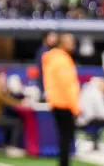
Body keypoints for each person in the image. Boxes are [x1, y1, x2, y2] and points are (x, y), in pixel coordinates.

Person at [43, 33, 81, 166]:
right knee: (66, 138)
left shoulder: (54, 58)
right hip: (63, 104)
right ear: (62, 43)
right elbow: (67, 86)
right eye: (70, 41)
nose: (73, 44)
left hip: (57, 102)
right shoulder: (61, 60)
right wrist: (75, 107)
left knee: (64, 137)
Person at [76, 77, 104, 151]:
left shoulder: (86, 91)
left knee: (100, 120)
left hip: (80, 119)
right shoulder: (97, 94)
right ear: (101, 84)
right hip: (88, 120)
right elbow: (101, 112)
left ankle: (96, 143)